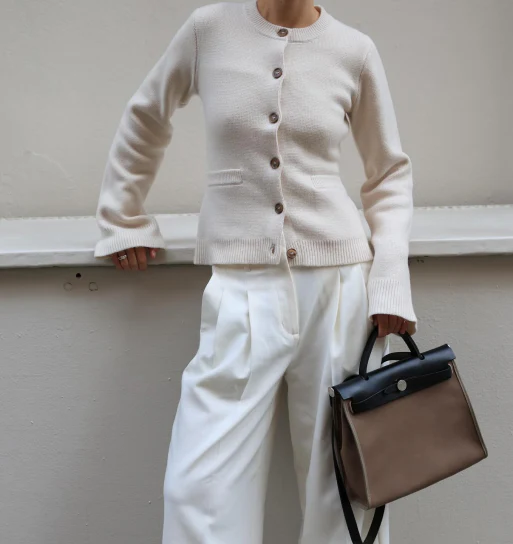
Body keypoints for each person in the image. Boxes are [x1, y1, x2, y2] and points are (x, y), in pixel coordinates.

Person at [93, 1, 418, 542]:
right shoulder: (208, 30)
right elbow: (147, 113)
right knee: (200, 487)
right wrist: (123, 218)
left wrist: (389, 279)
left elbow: (388, 174)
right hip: (241, 285)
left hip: (341, 290)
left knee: (345, 484)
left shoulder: (354, 51)